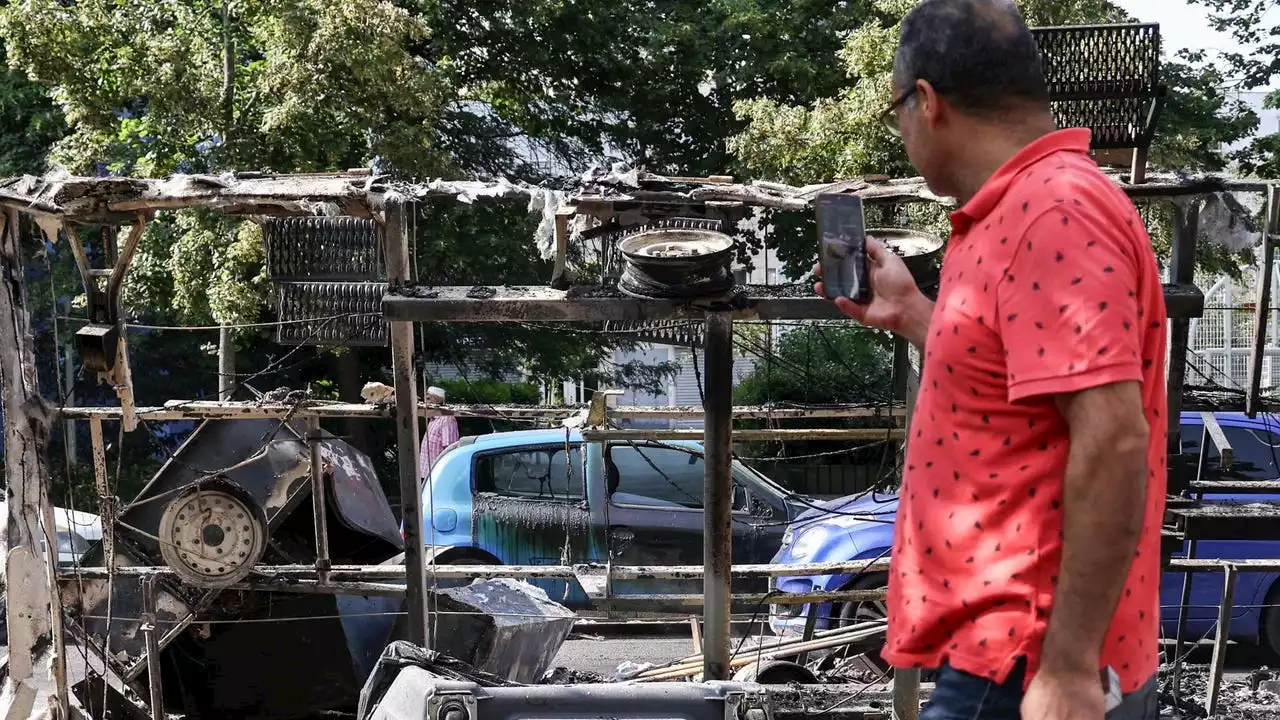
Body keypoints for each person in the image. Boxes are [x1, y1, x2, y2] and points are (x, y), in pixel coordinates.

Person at [813, 1, 1168, 718]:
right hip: (1007, 650)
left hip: (1024, 654)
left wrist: (1067, 670)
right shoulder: (1021, 206)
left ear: (927, 102)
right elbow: (1024, 386)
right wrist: (916, 316)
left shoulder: (1052, 212)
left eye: (895, 114)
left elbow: (1115, 436)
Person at [419, 385, 460, 478]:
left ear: (438, 401)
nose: (425, 403)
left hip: (437, 476)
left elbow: (449, 450)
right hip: (426, 474)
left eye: (428, 399)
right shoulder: (433, 419)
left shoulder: (446, 419)